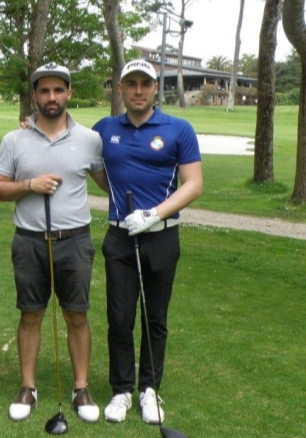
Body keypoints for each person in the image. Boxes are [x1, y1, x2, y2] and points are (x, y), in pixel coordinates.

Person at [92, 59, 203, 425]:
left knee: (155, 318)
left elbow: (193, 185)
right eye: (131, 84)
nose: (138, 90)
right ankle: (122, 391)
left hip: (162, 237)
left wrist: (153, 213)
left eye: (145, 83)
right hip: (120, 238)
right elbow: (95, 168)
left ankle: (149, 389)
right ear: (120, 89)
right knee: (119, 318)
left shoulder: (178, 129)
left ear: (156, 88)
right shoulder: (104, 129)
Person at [0, 62, 105, 424]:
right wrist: (29, 185)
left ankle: (81, 387)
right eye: (44, 91)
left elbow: (109, 182)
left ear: (69, 93)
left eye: (58, 90)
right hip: (29, 241)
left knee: (76, 314)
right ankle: (28, 386)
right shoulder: (15, 140)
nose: (52, 97)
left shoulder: (90, 139)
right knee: (31, 315)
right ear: (35, 96)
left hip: (75, 241)